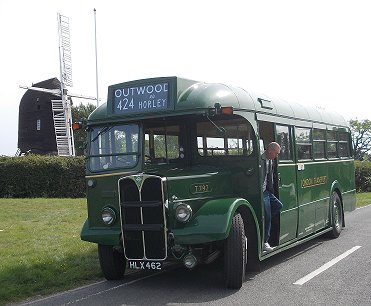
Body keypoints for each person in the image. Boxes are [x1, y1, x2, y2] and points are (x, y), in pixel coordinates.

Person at [261, 142, 283, 252]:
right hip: (261, 192)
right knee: (268, 216)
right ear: (270, 150)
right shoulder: (260, 159)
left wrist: (271, 190)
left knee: (278, 205)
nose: (277, 155)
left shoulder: (270, 160)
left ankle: (263, 218)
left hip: (267, 191)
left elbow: (269, 177)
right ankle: (264, 241)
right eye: (276, 153)